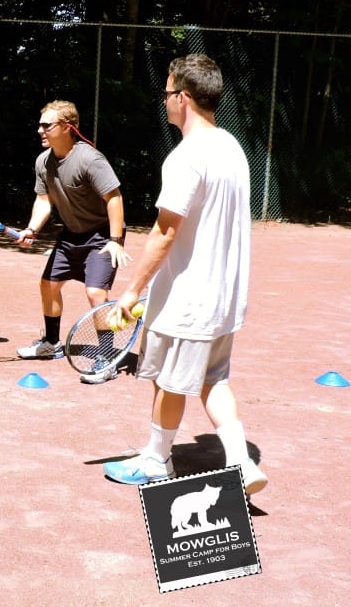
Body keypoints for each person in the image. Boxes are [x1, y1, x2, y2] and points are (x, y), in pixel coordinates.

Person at [102, 54, 267, 495]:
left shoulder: (185, 156)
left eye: (168, 93)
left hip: (187, 297)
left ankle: (157, 461)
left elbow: (165, 230)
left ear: (185, 98)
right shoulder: (232, 147)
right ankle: (241, 463)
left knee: (169, 382)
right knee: (214, 380)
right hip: (224, 298)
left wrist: (131, 291)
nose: (164, 102)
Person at [15, 100, 131, 384]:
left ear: (67, 128)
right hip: (70, 234)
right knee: (48, 284)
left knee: (95, 293)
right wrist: (32, 228)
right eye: (40, 124)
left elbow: (114, 198)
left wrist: (115, 240)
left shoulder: (90, 159)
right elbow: (44, 201)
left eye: (47, 125)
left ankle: (107, 359)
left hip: (102, 234)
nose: (40, 130)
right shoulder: (43, 162)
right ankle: (52, 344)